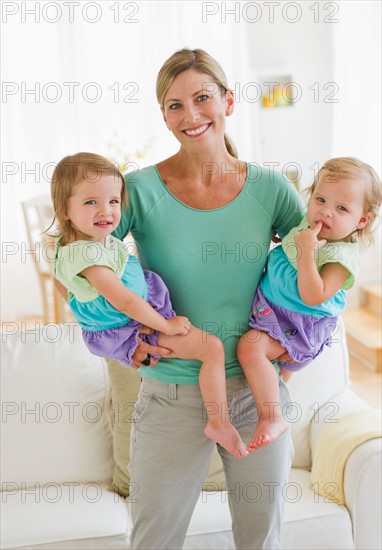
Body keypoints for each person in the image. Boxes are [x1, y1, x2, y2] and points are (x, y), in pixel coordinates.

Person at [113, 48, 304, 550]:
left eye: (202, 99)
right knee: (154, 541)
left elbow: (322, 276)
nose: (191, 116)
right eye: (175, 105)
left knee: (261, 539)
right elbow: (84, 265)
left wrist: (295, 351)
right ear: (163, 115)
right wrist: (118, 342)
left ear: (228, 101)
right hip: (169, 396)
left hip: (256, 397)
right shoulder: (137, 191)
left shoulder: (271, 189)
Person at [50, 152, 248, 458]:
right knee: (212, 349)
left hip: (136, 316)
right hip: (131, 326)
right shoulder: (86, 256)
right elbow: (125, 301)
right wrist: (164, 324)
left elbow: (65, 284)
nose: (106, 211)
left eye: (113, 201)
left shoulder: (91, 242)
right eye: (91, 202)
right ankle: (218, 422)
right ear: (64, 209)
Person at [237, 157, 382, 452]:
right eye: (321, 199)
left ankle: (272, 417)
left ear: (361, 221)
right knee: (274, 382)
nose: (326, 211)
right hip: (273, 310)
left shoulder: (341, 257)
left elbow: (313, 295)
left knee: (250, 347)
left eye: (342, 208)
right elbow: (291, 243)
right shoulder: (312, 228)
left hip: (298, 325)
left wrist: (305, 254)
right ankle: (272, 413)